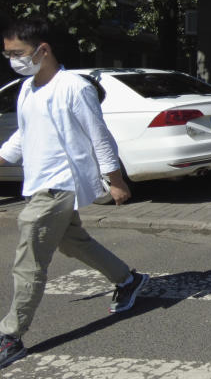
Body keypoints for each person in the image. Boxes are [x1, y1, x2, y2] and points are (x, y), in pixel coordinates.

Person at [0, 19, 150, 370]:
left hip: (58, 185)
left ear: (43, 50)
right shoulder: (27, 88)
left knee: (29, 260)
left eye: (17, 53)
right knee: (72, 243)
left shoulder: (73, 87)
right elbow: (24, 134)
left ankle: (11, 336)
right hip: (38, 182)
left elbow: (99, 136)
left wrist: (115, 179)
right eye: (8, 55)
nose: (13, 60)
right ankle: (129, 280)